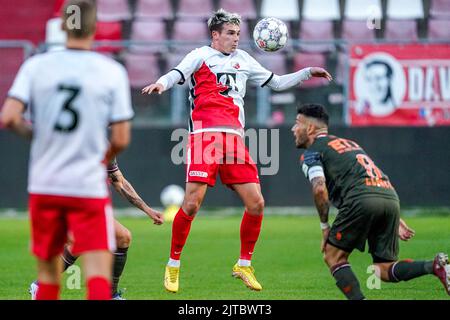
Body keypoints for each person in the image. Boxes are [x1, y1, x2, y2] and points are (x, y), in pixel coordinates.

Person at [142, 9, 332, 293]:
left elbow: (277, 82)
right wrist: (161, 83)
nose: (235, 39)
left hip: (234, 139)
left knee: (256, 203)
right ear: (215, 35)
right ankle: (173, 265)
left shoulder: (244, 60)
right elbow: (176, 73)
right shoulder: (199, 56)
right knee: (192, 204)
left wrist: (306, 72)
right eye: (230, 33)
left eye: (238, 34)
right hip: (204, 137)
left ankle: (244, 264)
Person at [1, 0, 134, 300]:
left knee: (48, 282)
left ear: (61, 26)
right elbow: (122, 139)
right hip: (86, 186)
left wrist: (39, 137)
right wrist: (95, 157)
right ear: (96, 28)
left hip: (45, 183)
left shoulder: (35, 66)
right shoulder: (110, 71)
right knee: (98, 283)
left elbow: (9, 117)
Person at [292, 103, 450, 300]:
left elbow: (319, 188)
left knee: (332, 255)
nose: (293, 128)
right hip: (389, 197)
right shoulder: (350, 144)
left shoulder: (312, 152)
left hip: (361, 199)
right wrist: (394, 216)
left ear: (310, 128)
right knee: (382, 270)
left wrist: (325, 226)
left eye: (297, 123)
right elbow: (374, 174)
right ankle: (434, 266)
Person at [28, 158, 164, 300]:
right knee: (84, 241)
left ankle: (110, 295)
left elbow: (119, 182)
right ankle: (42, 286)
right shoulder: (73, 144)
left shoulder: (103, 145)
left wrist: (148, 210)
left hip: (91, 204)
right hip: (68, 200)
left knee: (122, 237)